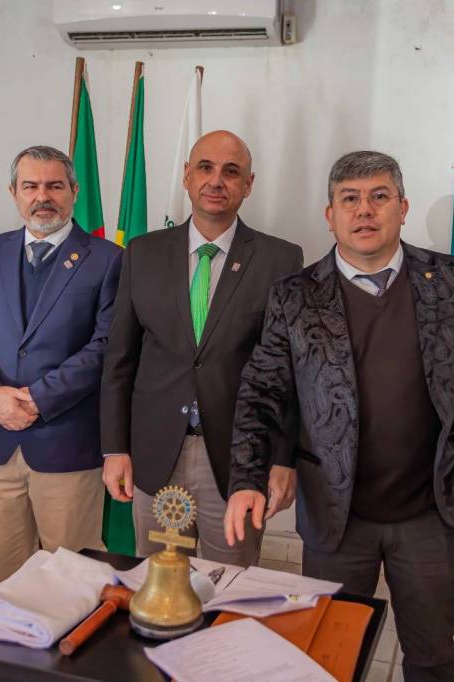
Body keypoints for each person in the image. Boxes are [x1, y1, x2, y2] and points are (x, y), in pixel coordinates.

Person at [226, 151, 454, 681]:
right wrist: (246, 478)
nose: (364, 210)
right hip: (335, 518)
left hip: (428, 516)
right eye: (349, 199)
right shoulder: (295, 295)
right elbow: (262, 392)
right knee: (329, 656)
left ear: (402, 208)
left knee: (432, 657)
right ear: (329, 214)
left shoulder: (450, 280)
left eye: (379, 197)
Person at [101, 130, 303, 565]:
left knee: (229, 583)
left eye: (231, 171)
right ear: (186, 176)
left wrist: (283, 459)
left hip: (238, 459)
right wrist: (115, 448)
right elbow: (120, 359)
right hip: (155, 453)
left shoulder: (281, 260)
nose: (216, 180)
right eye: (205, 168)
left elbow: (288, 374)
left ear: (248, 184)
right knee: (158, 582)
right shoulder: (142, 252)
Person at [0, 145, 122, 587]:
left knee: (73, 581)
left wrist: (37, 398)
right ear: (14, 193)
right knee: (4, 579)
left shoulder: (108, 259)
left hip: (66, 443)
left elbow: (106, 346)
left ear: (74, 191)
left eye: (54, 186)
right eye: (30, 186)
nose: (42, 196)